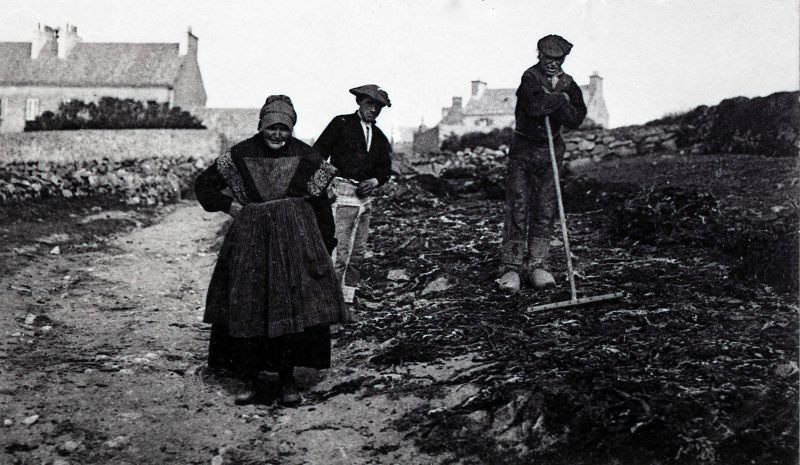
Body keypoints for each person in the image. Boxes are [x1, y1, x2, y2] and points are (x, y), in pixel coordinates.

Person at [195, 95, 348, 406]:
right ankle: (249, 379)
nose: (278, 135)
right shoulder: (240, 154)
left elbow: (320, 204)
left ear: (292, 128)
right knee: (250, 305)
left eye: (284, 129)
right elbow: (204, 185)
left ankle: (287, 380)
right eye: (271, 128)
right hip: (250, 240)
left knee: (292, 308)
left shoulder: (307, 157)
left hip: (297, 240)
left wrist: (326, 242)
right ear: (261, 126)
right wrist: (230, 206)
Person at [497, 34, 587, 293]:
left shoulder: (570, 84)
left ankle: (538, 264)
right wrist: (560, 101)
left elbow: (575, 119)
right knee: (519, 204)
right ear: (539, 56)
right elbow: (534, 107)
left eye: (558, 59)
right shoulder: (529, 78)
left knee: (546, 207)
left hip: (551, 151)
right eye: (548, 58)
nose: (552, 64)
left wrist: (558, 103)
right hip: (524, 150)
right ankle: (511, 266)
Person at [313, 84, 392, 302]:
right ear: (359, 102)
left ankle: (348, 299)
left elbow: (385, 168)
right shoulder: (341, 124)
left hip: (364, 200)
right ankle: (328, 301)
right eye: (370, 104)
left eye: (378, 107)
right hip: (341, 194)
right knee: (339, 251)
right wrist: (323, 187)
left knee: (358, 252)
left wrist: (375, 181)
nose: (373, 110)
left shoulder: (379, 136)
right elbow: (318, 154)